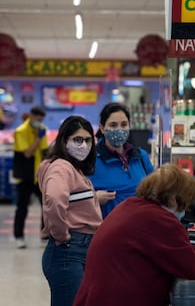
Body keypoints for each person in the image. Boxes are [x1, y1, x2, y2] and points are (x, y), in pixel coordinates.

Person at [74, 163, 195, 306]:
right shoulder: (159, 220)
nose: (184, 211)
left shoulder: (131, 207)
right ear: (174, 200)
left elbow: (162, 256)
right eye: (185, 205)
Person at [37, 116, 103, 306]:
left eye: (88, 140)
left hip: (77, 250)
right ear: (64, 141)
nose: (83, 145)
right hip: (68, 251)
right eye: (77, 140)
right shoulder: (61, 167)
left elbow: (69, 200)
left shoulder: (73, 168)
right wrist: (61, 234)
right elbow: (55, 199)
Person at [89, 102, 154, 218]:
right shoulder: (90, 159)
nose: (119, 129)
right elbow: (74, 199)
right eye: (113, 125)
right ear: (102, 128)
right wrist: (92, 199)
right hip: (106, 231)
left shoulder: (141, 156)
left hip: (139, 228)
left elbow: (155, 190)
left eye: (124, 124)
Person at [12, 106, 48, 248]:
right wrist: (38, 138)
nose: (39, 122)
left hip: (38, 176)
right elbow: (28, 153)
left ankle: (44, 235)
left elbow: (44, 150)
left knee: (46, 206)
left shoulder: (41, 129)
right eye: (37, 119)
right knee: (22, 207)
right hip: (25, 176)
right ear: (31, 116)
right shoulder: (21, 131)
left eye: (41, 120)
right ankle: (19, 236)